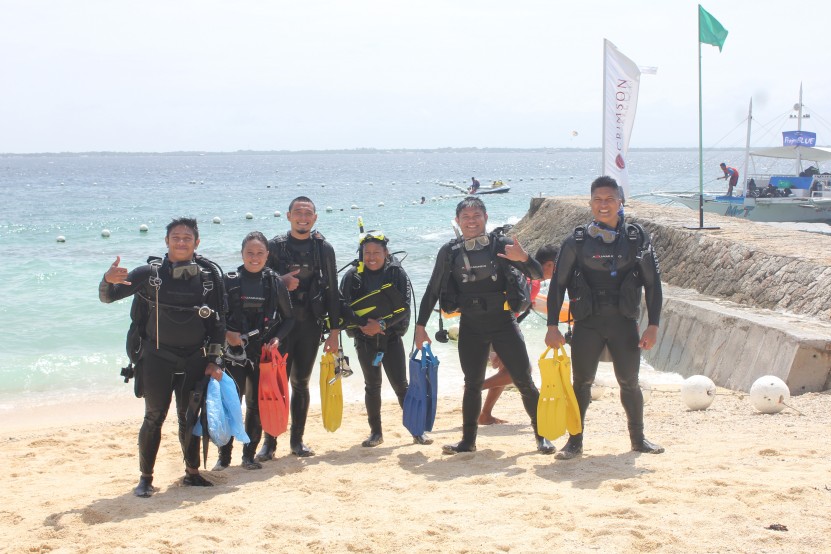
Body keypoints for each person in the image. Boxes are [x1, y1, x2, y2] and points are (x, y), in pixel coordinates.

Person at [414, 196, 555, 455]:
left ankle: (542, 436)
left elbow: (537, 274)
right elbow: (433, 289)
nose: (471, 221)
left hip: (503, 323)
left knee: (524, 379)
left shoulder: (502, 245)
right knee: (473, 383)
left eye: (476, 216)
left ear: (486, 218)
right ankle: (468, 441)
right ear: (457, 221)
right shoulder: (450, 252)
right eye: (465, 217)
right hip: (471, 325)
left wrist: (523, 257)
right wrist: (420, 326)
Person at [99, 217, 226, 497]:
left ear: (197, 242)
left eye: (187, 238)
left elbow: (219, 323)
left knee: (190, 416)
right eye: (176, 237)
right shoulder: (149, 274)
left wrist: (215, 361)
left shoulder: (208, 277)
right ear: (166, 241)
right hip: (157, 357)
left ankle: (192, 473)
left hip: (195, 358)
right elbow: (108, 298)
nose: (181, 242)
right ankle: (146, 478)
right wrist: (107, 281)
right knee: (154, 417)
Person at [544, 176, 664, 460]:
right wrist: (551, 326)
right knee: (581, 382)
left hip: (623, 322)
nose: (604, 205)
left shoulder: (636, 238)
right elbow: (557, 285)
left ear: (620, 202)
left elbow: (653, 284)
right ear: (590, 204)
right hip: (588, 322)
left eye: (610, 199)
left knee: (629, 382)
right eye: (598, 200)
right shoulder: (577, 241)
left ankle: (638, 439)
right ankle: (575, 441)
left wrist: (653, 326)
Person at [257, 196, 341, 459]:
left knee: (300, 382)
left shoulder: (323, 249)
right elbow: (257, 282)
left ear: (315, 218)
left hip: (310, 326)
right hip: (280, 327)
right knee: (274, 382)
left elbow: (333, 291)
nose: (302, 217)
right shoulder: (275, 247)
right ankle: (269, 442)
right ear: (288, 216)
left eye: (307, 213)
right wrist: (281, 282)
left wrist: (335, 333)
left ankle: (297, 440)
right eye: (297, 212)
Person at [339, 232, 433, 447]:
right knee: (372, 386)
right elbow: (342, 306)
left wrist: (380, 325)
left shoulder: (395, 273)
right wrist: (365, 326)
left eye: (376, 252)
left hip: (390, 338)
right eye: (367, 253)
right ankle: (376, 433)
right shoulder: (353, 276)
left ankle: (417, 431)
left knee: (401, 385)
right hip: (364, 340)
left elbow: (405, 309)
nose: (371, 257)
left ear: (386, 253)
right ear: (361, 254)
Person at [213, 231, 294, 471]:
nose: (255, 257)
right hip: (233, 353)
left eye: (260, 253)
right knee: (231, 403)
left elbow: (289, 319)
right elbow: (215, 318)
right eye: (250, 253)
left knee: (257, 405)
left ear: (268, 255)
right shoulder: (228, 281)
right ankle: (224, 457)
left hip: (263, 355)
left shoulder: (274, 282)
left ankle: (248, 455)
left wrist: (277, 339)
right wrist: (228, 334)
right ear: (242, 254)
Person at [479, 244, 559, 425]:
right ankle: (474, 388)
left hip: (497, 325)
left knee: (507, 371)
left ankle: (485, 415)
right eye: (558, 265)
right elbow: (508, 308)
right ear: (548, 265)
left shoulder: (527, 277)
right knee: (523, 371)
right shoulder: (532, 281)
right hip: (498, 326)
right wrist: (500, 344)